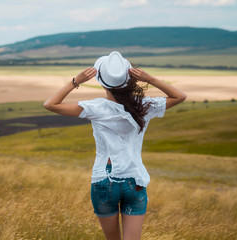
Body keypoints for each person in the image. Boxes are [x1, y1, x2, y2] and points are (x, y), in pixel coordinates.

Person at [43, 51, 186, 240]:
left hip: (104, 179)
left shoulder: (96, 108)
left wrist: (75, 81)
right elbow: (180, 96)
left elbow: (50, 104)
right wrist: (149, 79)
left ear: (101, 81)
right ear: (129, 79)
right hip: (134, 179)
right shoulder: (143, 106)